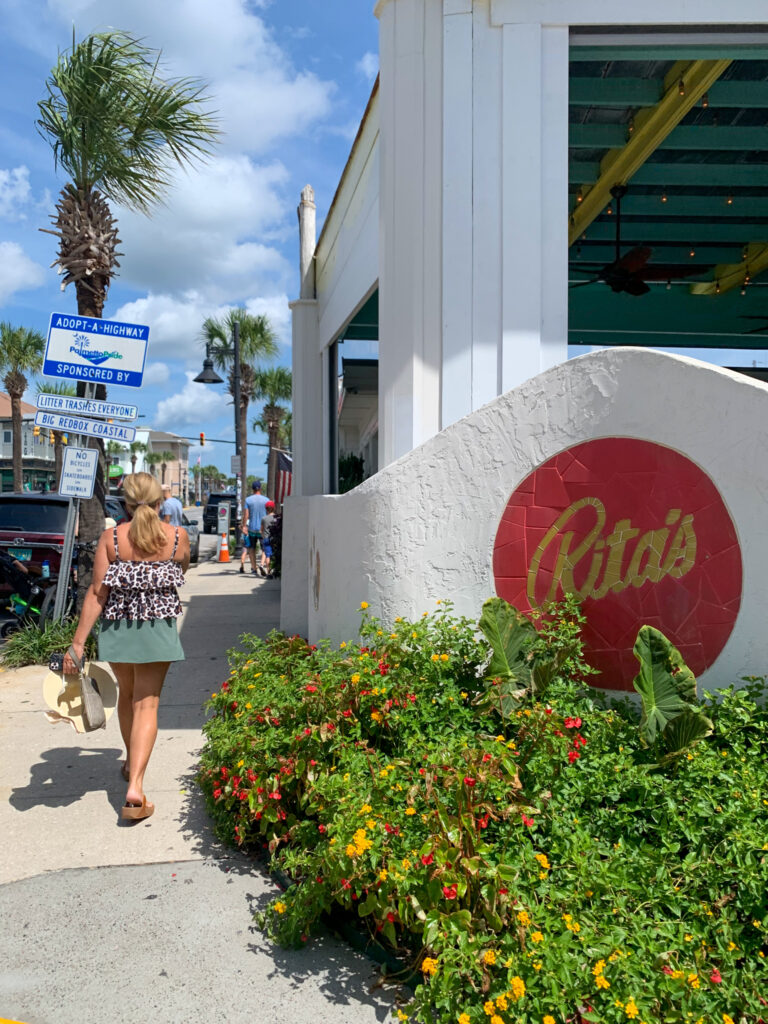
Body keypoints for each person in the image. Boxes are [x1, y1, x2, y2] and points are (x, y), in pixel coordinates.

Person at [63, 472, 190, 822]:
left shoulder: (111, 539)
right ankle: (135, 787)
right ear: (160, 501)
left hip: (118, 628)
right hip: (157, 630)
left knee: (127, 696)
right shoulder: (177, 536)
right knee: (146, 704)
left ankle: (130, 761)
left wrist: (77, 644)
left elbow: (96, 593)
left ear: (126, 502)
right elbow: (181, 570)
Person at [244, 481, 269, 575]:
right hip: (262, 529)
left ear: (252, 489)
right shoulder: (266, 500)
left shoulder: (248, 500)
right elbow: (268, 513)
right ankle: (262, 564)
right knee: (264, 548)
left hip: (252, 528)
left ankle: (254, 568)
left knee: (252, 549)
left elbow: (246, 515)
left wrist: (244, 526)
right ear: (260, 489)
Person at [259, 501, 276, 577]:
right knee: (274, 555)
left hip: (266, 538)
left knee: (267, 555)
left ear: (266, 509)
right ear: (273, 508)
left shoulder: (264, 518)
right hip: (274, 539)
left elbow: (261, 530)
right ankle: (275, 570)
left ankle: (269, 572)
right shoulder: (276, 518)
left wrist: (262, 535)